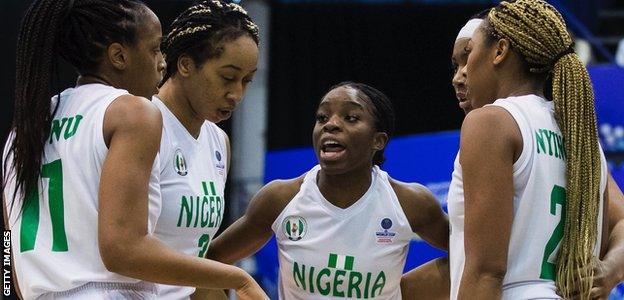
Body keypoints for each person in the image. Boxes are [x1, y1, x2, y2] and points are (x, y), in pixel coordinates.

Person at [2, 0, 266, 299]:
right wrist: (238, 278)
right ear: (118, 56)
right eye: (154, 50)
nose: (162, 62)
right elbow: (123, 249)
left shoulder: (26, 126)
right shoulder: (133, 112)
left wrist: (9, 290)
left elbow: (7, 243)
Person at [205, 82, 449, 299]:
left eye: (350, 118)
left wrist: (405, 292)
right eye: (322, 117)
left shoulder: (410, 202)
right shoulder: (281, 198)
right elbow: (207, 262)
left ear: (378, 140)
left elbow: (475, 257)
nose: (331, 124)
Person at [447, 0, 624, 299]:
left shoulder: (491, 122)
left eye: (470, 53)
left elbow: (487, 271)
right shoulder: (581, 137)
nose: (459, 75)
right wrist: (609, 272)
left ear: (499, 51)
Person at [152, 1, 260, 299]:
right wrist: (240, 280)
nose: (236, 94)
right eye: (227, 77)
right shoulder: (140, 123)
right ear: (185, 65)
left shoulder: (218, 141)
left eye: (246, 81)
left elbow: (195, 266)